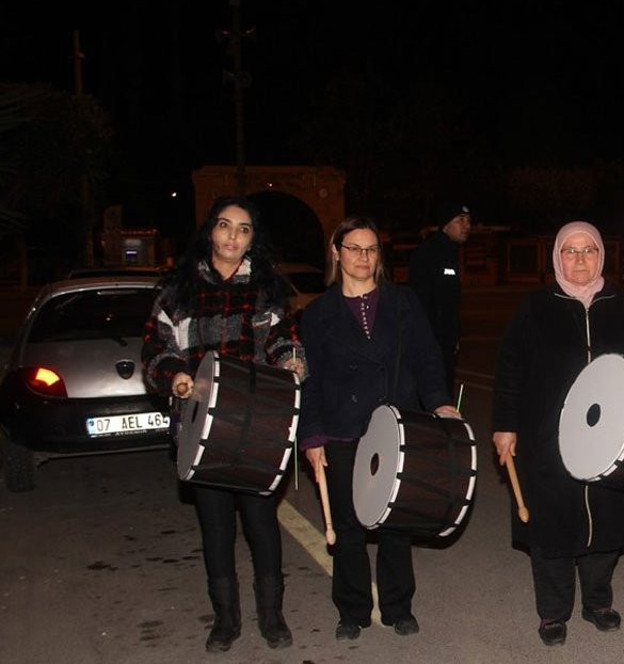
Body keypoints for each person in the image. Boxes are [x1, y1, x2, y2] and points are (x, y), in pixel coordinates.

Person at [492, 221, 624, 647]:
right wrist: (505, 425)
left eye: (588, 250)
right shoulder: (536, 306)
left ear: (601, 256)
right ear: (557, 257)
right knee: (553, 526)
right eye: (571, 251)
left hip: (610, 436)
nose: (580, 259)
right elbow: (510, 369)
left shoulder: (619, 303)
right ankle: (553, 613)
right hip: (547, 437)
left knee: (606, 521)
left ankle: (598, 602)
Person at [141, 196, 306, 653]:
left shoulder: (267, 289)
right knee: (215, 527)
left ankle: (272, 617)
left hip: (257, 425)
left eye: (244, 229)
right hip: (200, 426)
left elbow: (282, 339)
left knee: (261, 522)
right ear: (210, 231)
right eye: (225, 226)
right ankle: (225, 620)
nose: (233, 236)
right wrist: (174, 376)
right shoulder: (178, 289)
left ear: (254, 238)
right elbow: (157, 347)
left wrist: (292, 361)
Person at [298, 216, 461, 641]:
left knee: (395, 523)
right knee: (349, 527)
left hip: (396, 426)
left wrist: (441, 403)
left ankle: (397, 607)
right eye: (353, 248)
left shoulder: (403, 302)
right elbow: (309, 379)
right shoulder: (317, 314)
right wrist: (311, 436)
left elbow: (427, 358)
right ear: (337, 253)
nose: (363, 257)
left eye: (371, 249)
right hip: (341, 429)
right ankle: (351, 610)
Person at [409, 200, 471, 395]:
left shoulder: (450, 253)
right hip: (430, 348)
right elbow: (420, 303)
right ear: (445, 224)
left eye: (468, 220)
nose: (466, 226)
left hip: (445, 347)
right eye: (460, 220)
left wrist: (455, 337)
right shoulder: (429, 254)